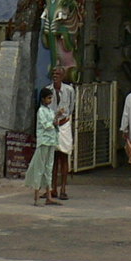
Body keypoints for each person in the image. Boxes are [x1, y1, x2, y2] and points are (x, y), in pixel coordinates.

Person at [24, 88, 61, 206]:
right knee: (39, 168)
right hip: (44, 142)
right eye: (49, 98)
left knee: (48, 168)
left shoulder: (50, 111)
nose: (50, 100)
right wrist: (56, 120)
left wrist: (56, 117)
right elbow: (47, 125)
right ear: (43, 99)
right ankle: (36, 197)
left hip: (51, 142)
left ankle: (48, 196)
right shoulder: (41, 111)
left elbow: (55, 125)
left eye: (51, 98)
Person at [50, 66, 76, 200]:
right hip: (52, 126)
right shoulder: (48, 90)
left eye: (58, 73)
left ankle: (63, 188)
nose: (55, 75)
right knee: (53, 159)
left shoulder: (69, 90)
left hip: (64, 125)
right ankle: (53, 188)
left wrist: (64, 120)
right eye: (54, 73)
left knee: (64, 157)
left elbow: (71, 108)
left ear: (63, 75)